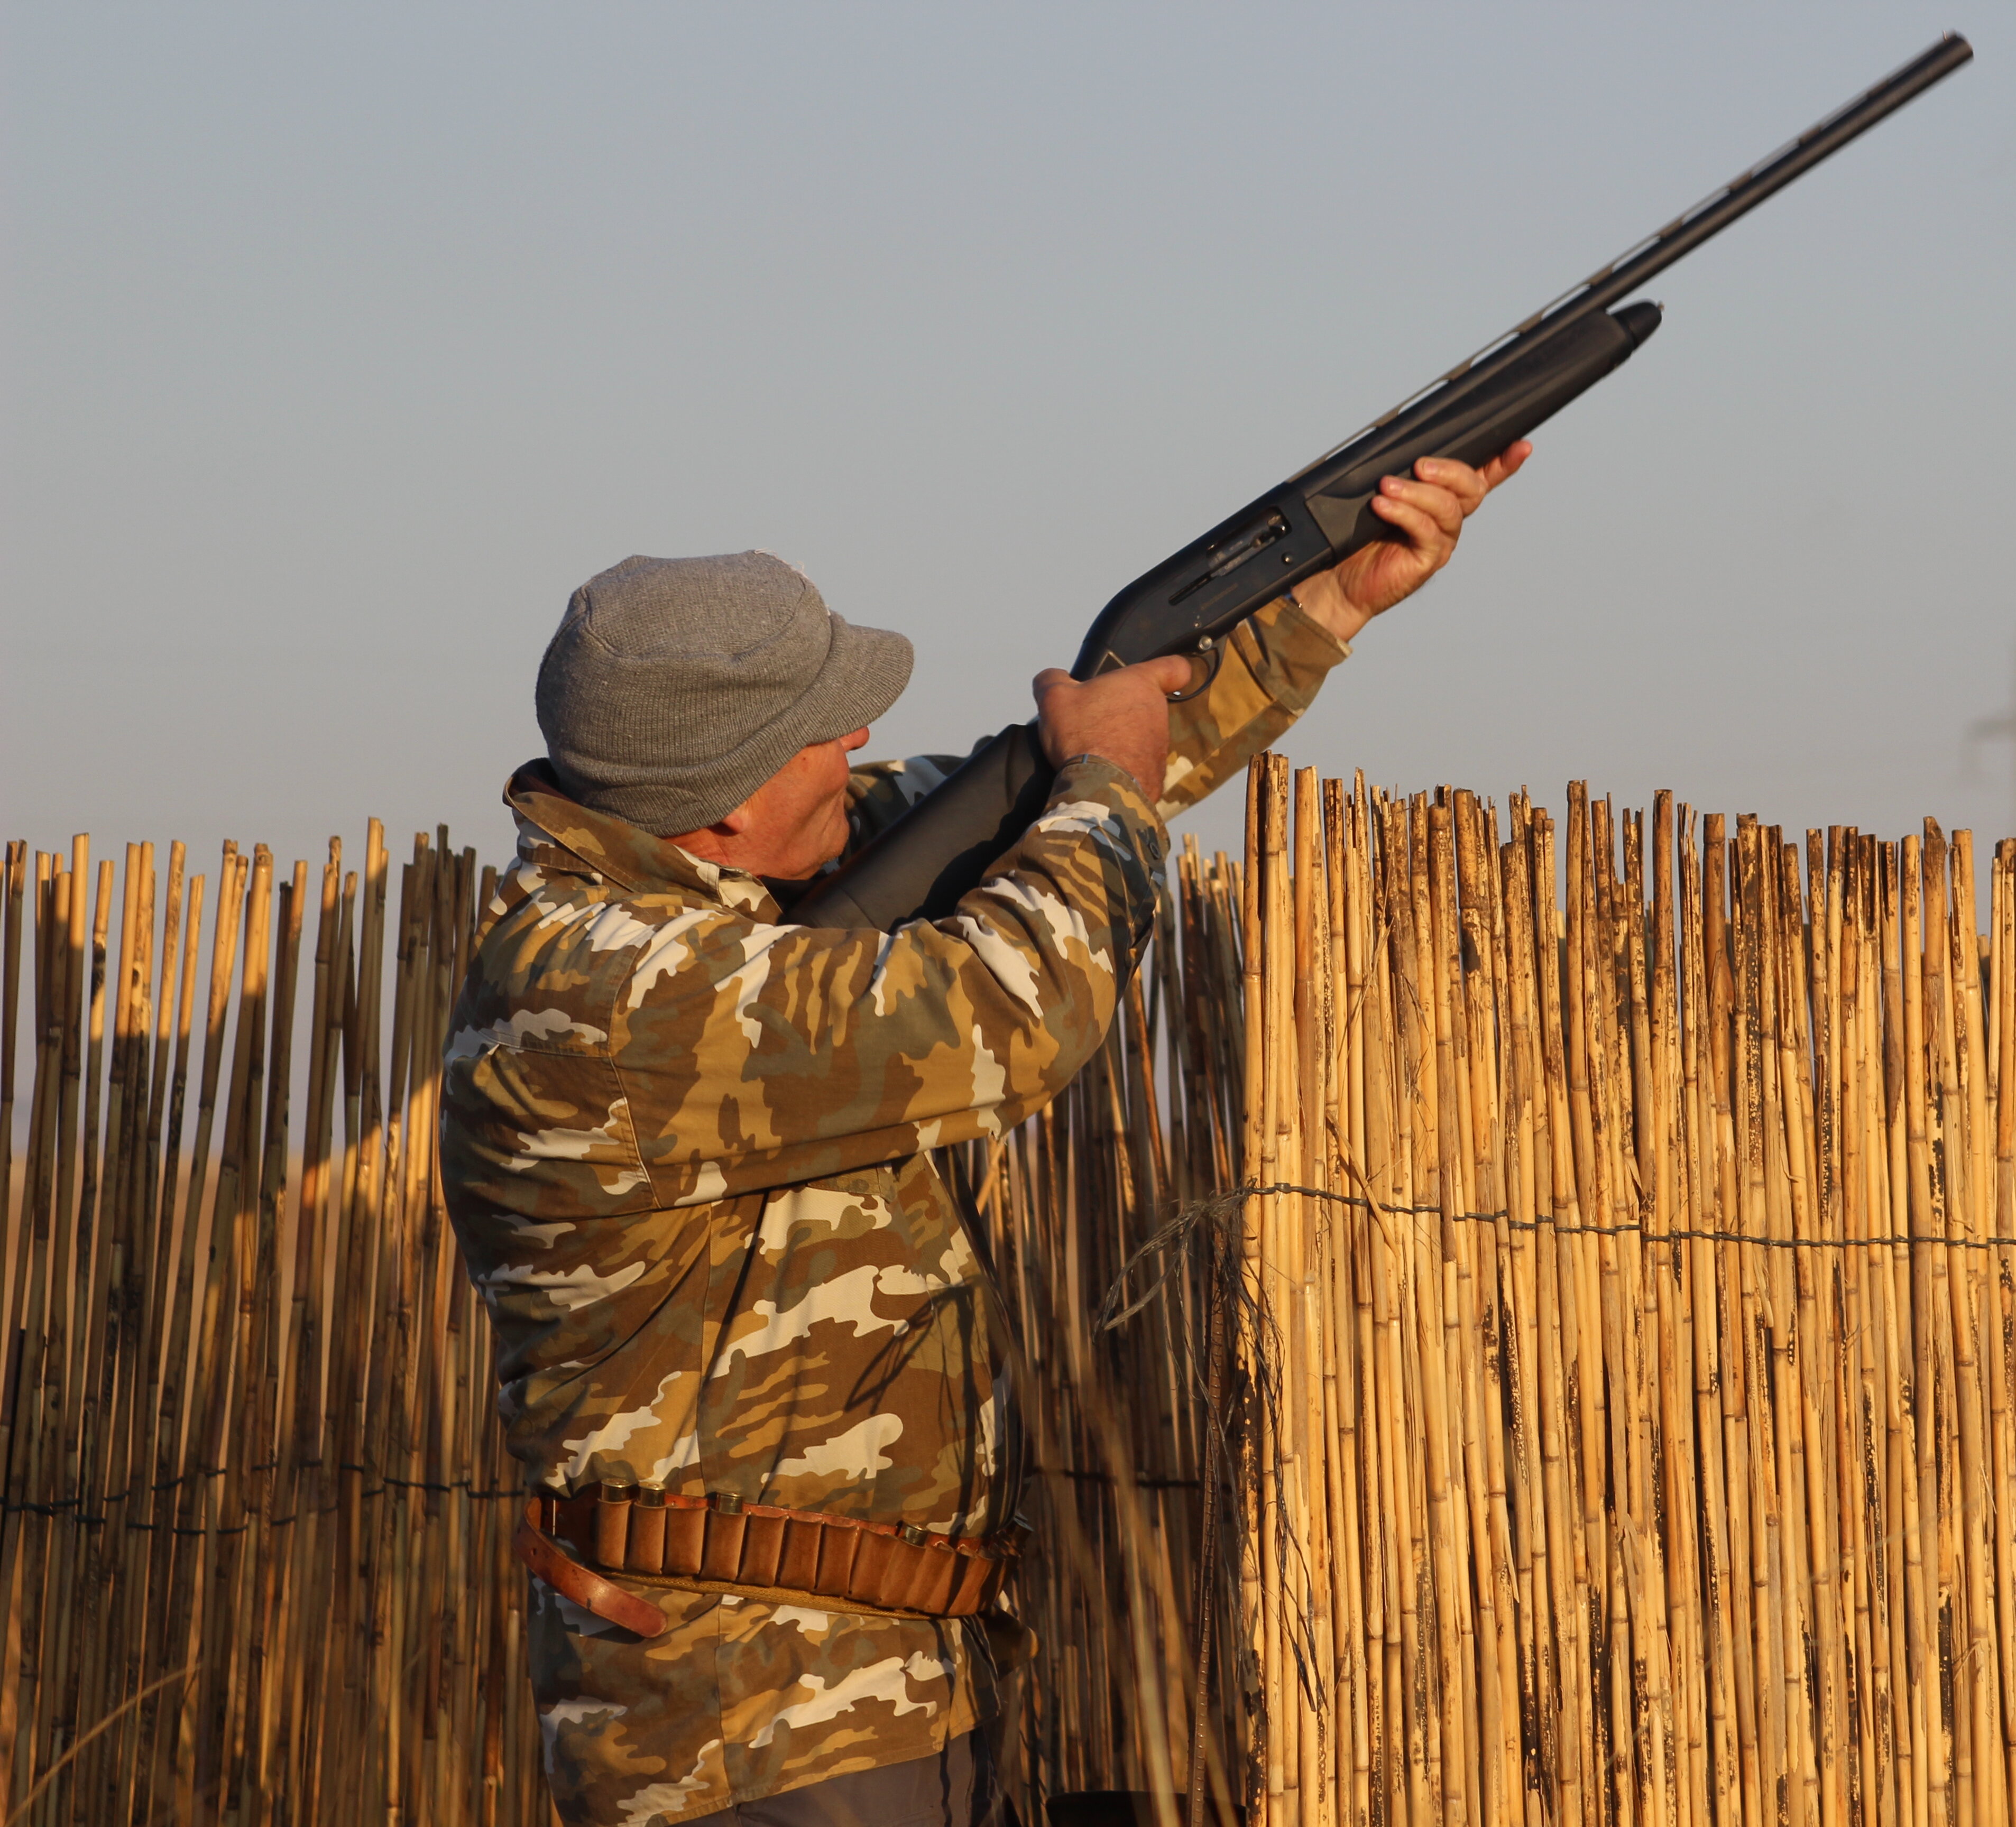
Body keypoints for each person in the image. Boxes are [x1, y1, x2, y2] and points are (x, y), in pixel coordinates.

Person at [442, 444, 1529, 1826]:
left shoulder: (742, 895)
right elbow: (1020, 1002)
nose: (859, 747)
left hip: (880, 1695)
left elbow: (1044, 798)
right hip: (748, 1734)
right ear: (718, 798)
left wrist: (1324, 611)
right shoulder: (606, 997)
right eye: (822, 730)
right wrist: (1111, 796)